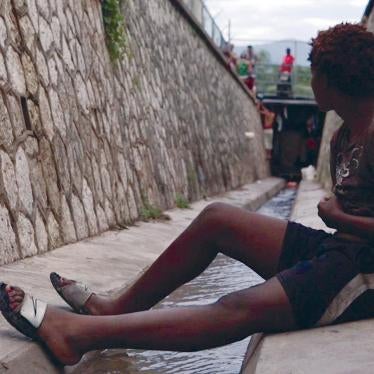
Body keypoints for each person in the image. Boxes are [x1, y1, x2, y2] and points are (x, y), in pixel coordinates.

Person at [1, 23, 374, 367]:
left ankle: (76, 336)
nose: (311, 83)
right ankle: (114, 310)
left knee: (240, 304)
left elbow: (343, 211)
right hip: (339, 250)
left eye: (316, 74)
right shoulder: (343, 134)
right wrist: (339, 218)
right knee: (218, 219)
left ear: (334, 78)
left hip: (363, 274)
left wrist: (339, 217)